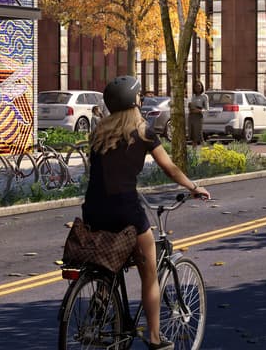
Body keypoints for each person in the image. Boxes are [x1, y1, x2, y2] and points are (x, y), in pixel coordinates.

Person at [83, 77, 211, 350]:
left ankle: (103, 294)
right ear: (134, 102)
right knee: (149, 272)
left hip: (93, 210)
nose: (142, 99)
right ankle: (154, 337)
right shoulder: (143, 132)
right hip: (126, 210)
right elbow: (170, 168)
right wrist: (194, 186)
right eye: (139, 96)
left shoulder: (98, 133)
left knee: (110, 258)